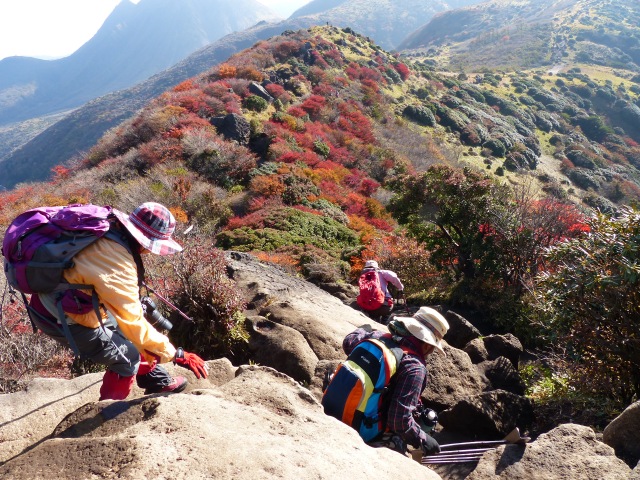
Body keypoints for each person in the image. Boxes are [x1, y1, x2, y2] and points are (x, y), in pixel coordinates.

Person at [29, 202, 208, 400]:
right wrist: (177, 354)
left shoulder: (108, 230)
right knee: (127, 357)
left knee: (127, 332)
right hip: (61, 317)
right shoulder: (116, 262)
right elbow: (134, 323)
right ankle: (107, 413)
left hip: (55, 302)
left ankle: (154, 380)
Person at [342, 306, 449, 457]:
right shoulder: (414, 367)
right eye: (432, 347)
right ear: (426, 344)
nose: (431, 352)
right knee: (401, 439)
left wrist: (363, 330)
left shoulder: (378, 336)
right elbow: (399, 421)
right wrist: (423, 438)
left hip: (338, 407)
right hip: (363, 429)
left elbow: (348, 342)